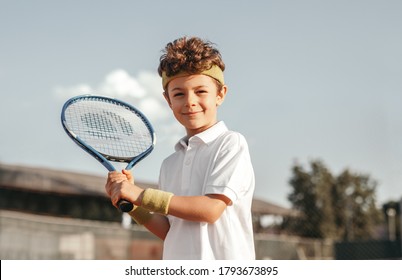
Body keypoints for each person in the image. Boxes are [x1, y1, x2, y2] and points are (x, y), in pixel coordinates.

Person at [105, 36, 255, 260]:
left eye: (201, 91)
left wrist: (139, 194)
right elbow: (170, 229)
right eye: (179, 94)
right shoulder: (169, 164)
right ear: (168, 100)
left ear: (220, 94)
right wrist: (134, 204)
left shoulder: (231, 143)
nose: (190, 101)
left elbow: (210, 210)